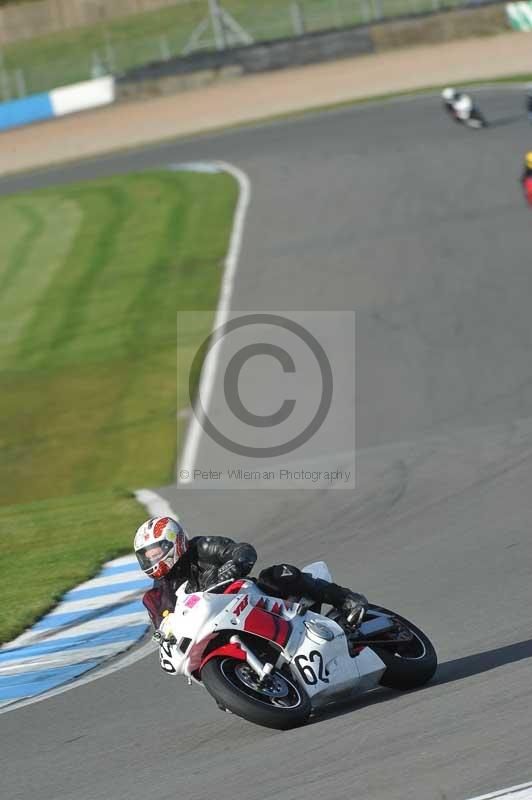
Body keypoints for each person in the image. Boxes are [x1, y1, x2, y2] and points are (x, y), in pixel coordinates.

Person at [134, 516, 368, 631]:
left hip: (246, 600)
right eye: (148, 556)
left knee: (274, 576)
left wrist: (234, 565)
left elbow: (241, 550)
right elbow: (164, 629)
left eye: (156, 553)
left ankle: (346, 599)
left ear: (174, 542)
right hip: (217, 626)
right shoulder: (160, 594)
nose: (153, 560)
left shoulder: (200, 548)